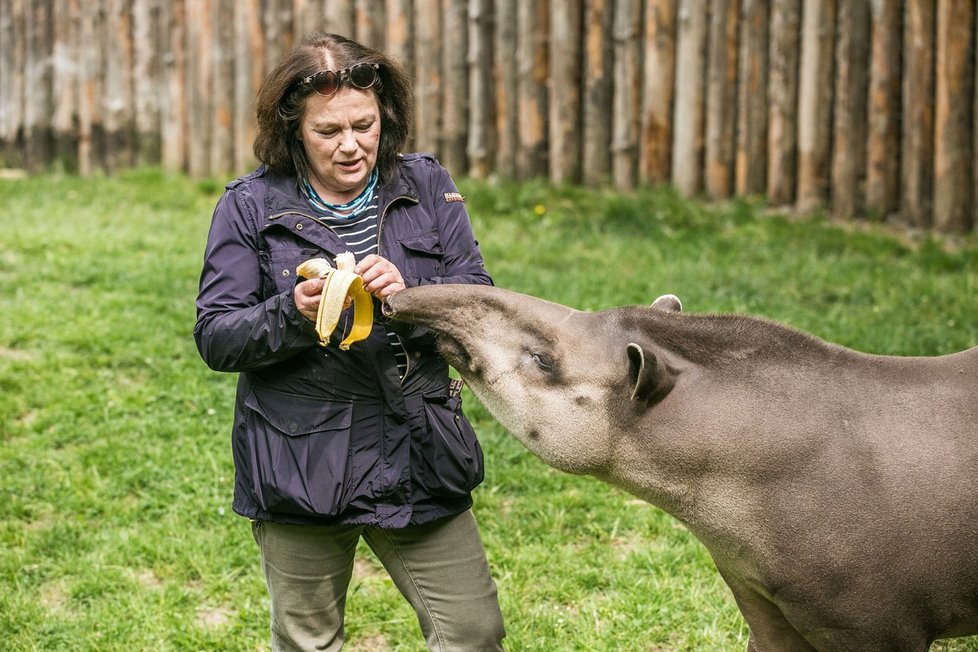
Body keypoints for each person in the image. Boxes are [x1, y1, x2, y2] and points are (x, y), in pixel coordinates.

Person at [194, 32, 506, 651]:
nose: (350, 146)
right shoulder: (249, 206)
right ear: (292, 131)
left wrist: (411, 295)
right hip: (300, 461)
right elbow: (217, 337)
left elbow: (479, 303)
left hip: (417, 452)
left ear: (384, 116)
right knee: (309, 642)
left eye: (363, 125)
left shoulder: (425, 183)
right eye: (328, 131)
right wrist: (293, 312)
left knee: (474, 634)